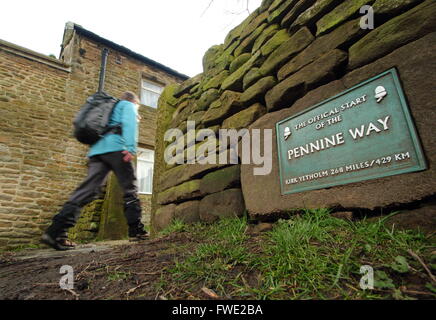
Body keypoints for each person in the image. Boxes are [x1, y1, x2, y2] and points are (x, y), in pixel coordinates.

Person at [42, 91, 148, 251]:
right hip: (118, 148)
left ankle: (55, 232)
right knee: (129, 188)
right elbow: (129, 124)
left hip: (97, 152)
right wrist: (131, 148)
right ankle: (136, 230)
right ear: (134, 102)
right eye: (138, 108)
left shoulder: (110, 108)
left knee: (86, 191)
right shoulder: (127, 105)